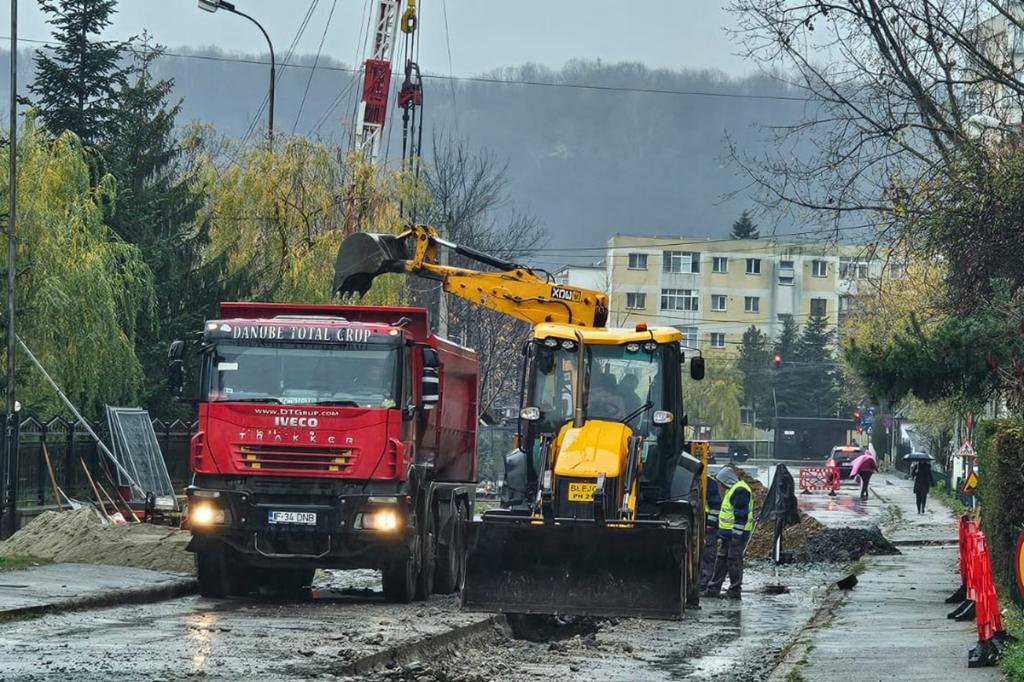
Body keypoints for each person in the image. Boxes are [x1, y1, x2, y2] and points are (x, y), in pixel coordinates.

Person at [703, 467, 754, 600]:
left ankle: (734, 590)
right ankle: (713, 588)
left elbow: (740, 515)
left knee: (734, 561)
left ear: (726, 481)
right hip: (728, 535)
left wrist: (737, 535)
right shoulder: (732, 490)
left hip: (735, 536)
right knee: (721, 560)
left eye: (720, 482)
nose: (719, 485)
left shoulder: (740, 491)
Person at [698, 477, 723, 593]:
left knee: (708, 553)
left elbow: (716, 506)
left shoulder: (708, 482)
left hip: (708, 525)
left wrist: (711, 523)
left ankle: (705, 581)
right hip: (699, 523)